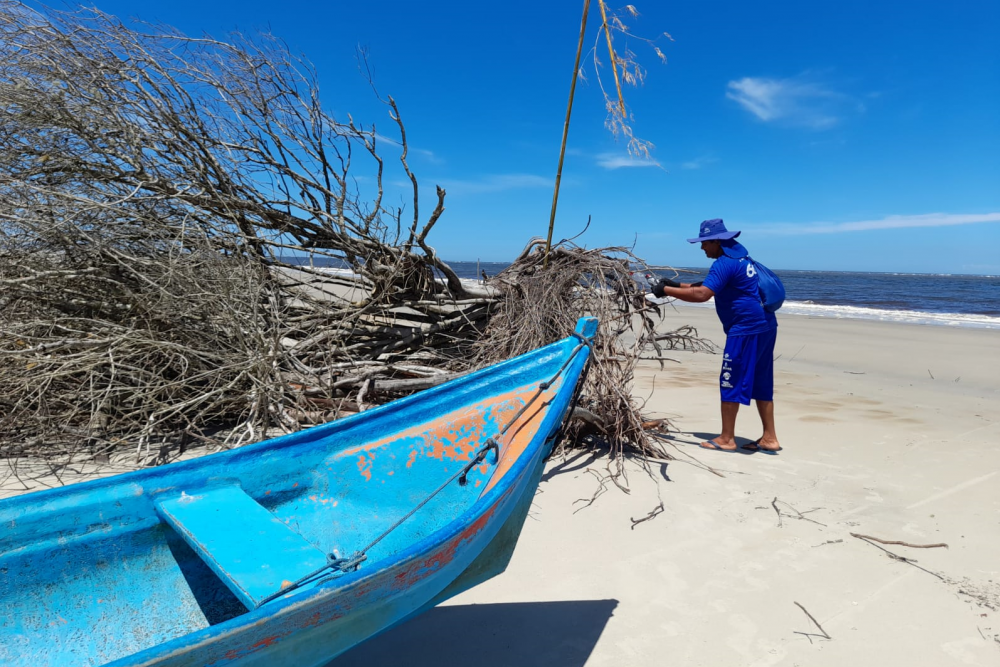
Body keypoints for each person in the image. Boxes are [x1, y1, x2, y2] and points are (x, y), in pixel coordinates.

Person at [652, 219, 781, 453]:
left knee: (729, 379)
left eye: (704, 243)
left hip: (745, 330)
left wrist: (664, 291)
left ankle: (726, 439)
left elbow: (702, 294)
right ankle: (770, 438)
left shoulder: (723, 263)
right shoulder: (741, 259)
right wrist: (676, 283)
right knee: (762, 381)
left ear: (716, 241)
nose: (702, 248)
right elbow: (711, 285)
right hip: (766, 326)